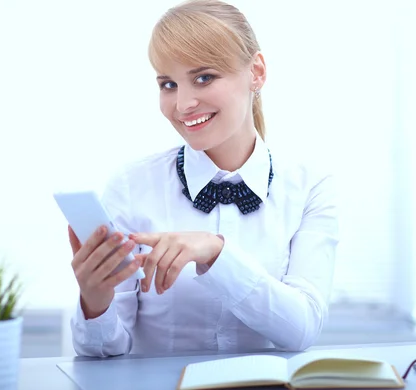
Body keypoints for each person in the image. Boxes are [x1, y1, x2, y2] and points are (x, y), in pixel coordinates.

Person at [68, 0, 339, 358]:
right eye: (168, 84)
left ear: (256, 72)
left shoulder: (309, 186)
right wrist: (96, 302)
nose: (182, 104)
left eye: (203, 77)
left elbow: (302, 328)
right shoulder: (131, 185)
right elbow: (106, 354)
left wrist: (217, 253)